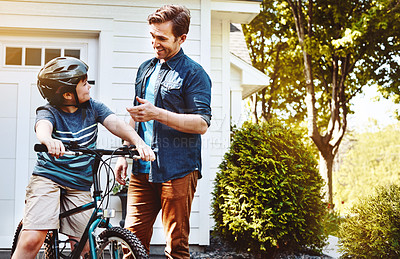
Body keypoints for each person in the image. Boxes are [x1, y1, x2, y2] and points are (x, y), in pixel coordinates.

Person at [12, 56, 155, 259]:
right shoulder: (49, 111)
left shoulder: (93, 108)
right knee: (33, 239)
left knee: (86, 247)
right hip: (48, 179)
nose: (89, 87)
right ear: (68, 95)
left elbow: (116, 124)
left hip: (79, 183)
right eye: (84, 83)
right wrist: (48, 141)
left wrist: (138, 143)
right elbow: (43, 127)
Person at [113, 4, 212, 259]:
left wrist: (158, 113)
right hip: (142, 170)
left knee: (176, 247)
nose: (155, 43)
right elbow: (137, 115)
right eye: (152, 36)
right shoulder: (145, 68)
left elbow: (201, 123)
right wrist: (124, 153)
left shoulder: (194, 74)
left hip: (177, 170)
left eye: (162, 38)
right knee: (130, 242)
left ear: (182, 38)